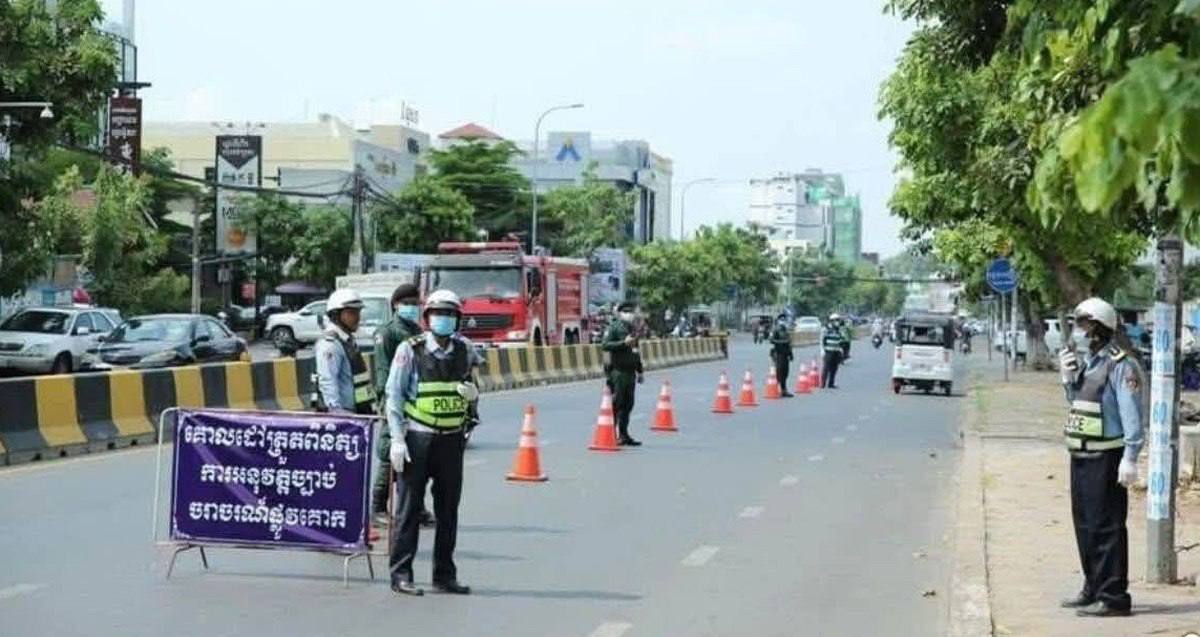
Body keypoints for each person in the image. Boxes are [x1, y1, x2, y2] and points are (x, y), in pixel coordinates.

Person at [385, 290, 481, 597]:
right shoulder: (410, 349)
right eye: (438, 313)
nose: (444, 319)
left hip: (452, 440)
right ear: (427, 318)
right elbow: (394, 395)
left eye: (450, 314)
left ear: (458, 319)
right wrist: (397, 439)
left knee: (448, 511)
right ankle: (401, 575)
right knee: (409, 510)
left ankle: (444, 575)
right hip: (418, 437)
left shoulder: (465, 349)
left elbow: (474, 385)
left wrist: (474, 395)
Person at [1057, 297, 1142, 618]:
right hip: (1082, 454)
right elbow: (1079, 403)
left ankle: (1114, 596)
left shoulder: (1121, 365)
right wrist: (1067, 379)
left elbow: (1131, 415)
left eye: (1082, 325)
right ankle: (1093, 586)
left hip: (1107, 456)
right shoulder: (1089, 363)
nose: (1077, 331)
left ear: (1099, 328)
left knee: (1107, 527)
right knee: (1085, 525)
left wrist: (1130, 456)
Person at [372, 283, 434, 530]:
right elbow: (382, 370)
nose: (411, 308)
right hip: (395, 398)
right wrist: (386, 401)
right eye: (406, 304)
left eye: (415, 304)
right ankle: (378, 506)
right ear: (396, 305)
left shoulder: (417, 331)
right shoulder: (387, 333)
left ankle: (414, 507)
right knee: (391, 452)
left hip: (417, 401)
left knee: (417, 456)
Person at [314, 289, 375, 415]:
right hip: (344, 415)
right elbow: (327, 381)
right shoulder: (330, 344)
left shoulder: (347, 340)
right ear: (336, 315)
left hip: (358, 412)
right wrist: (337, 414)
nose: (357, 317)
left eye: (358, 312)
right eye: (351, 313)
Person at [601, 301, 645, 446]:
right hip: (618, 372)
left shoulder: (632, 329)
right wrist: (623, 343)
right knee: (617, 403)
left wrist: (640, 371)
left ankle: (624, 434)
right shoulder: (614, 327)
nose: (629, 315)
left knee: (628, 404)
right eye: (626, 312)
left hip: (630, 373)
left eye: (631, 312)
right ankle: (610, 433)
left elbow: (636, 352)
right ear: (620, 314)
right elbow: (605, 345)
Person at [769, 313, 794, 397]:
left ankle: (784, 390)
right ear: (779, 320)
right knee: (778, 372)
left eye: (784, 319)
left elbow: (789, 343)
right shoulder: (775, 330)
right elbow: (771, 340)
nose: (783, 321)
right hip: (778, 353)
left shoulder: (786, 331)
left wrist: (791, 353)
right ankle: (775, 390)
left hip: (785, 354)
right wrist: (782, 342)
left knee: (785, 372)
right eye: (781, 319)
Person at [821, 314, 846, 389]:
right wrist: (822, 350)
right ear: (832, 321)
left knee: (834, 368)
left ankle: (831, 383)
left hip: (836, 351)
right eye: (836, 320)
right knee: (826, 368)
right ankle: (823, 383)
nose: (837, 322)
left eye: (838, 320)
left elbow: (841, 340)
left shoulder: (838, 330)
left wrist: (841, 349)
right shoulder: (826, 329)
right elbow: (822, 340)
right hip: (828, 351)